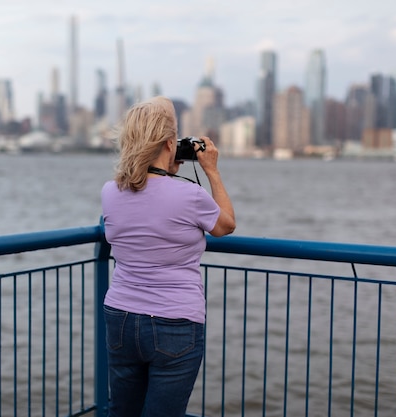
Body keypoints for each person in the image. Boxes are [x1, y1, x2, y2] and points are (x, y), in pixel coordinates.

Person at [100, 96, 236, 417]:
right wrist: (212, 171)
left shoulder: (110, 191)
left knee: (123, 412)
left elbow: (144, 200)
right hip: (175, 323)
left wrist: (164, 168)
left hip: (120, 317)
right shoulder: (189, 194)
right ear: (168, 143)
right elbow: (225, 225)